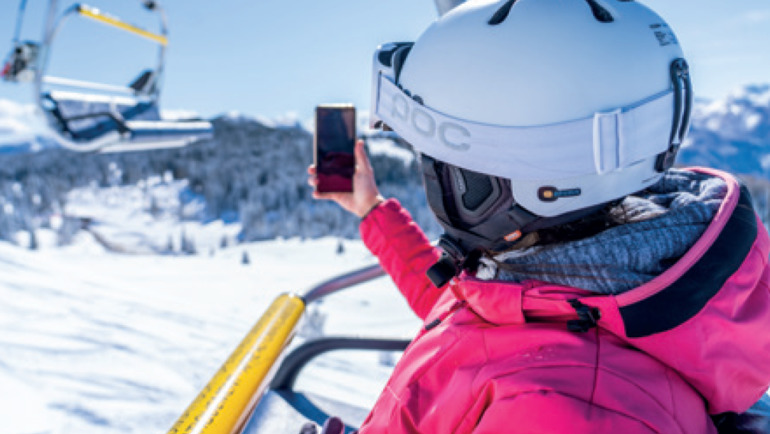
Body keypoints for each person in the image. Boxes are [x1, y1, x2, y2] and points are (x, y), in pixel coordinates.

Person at [308, 0, 770, 432]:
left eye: (433, 161)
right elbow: (462, 311)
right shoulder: (582, 283)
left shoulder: (559, 409)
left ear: (485, 188)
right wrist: (371, 210)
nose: (430, 175)